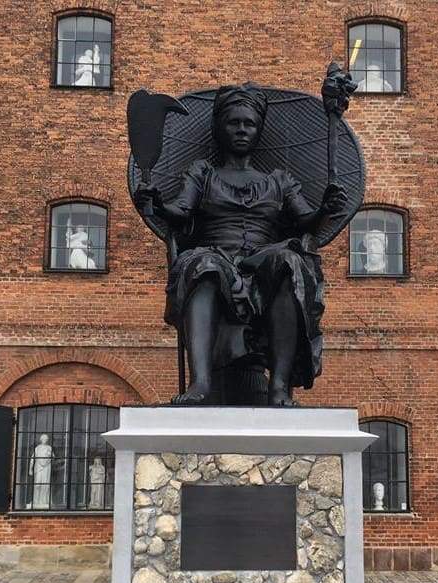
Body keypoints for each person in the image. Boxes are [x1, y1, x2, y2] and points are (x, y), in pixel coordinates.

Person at [134, 83, 347, 406]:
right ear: (219, 127)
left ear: (259, 129)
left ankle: (278, 388)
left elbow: (307, 222)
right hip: (217, 254)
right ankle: (201, 384)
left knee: (289, 263)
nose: (242, 130)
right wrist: (157, 204)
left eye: (249, 123)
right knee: (200, 265)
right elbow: (180, 213)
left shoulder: (279, 179)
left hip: (264, 260)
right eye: (234, 122)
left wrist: (324, 210)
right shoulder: (202, 174)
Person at [29, 434, 54, 509]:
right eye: (43, 439)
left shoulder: (49, 448)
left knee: (45, 484)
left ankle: (44, 500)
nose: (45, 440)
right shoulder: (37, 448)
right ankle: (36, 500)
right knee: (37, 484)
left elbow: (53, 458)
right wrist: (30, 469)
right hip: (38, 467)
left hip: (46, 468)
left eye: (46, 439)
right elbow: (32, 458)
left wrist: (49, 456)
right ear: (41, 439)